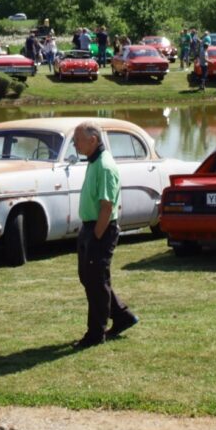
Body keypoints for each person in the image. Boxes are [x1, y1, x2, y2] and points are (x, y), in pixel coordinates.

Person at [70, 121, 138, 349]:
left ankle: (95, 334)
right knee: (90, 278)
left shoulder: (105, 166)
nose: (74, 144)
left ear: (93, 140)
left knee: (96, 281)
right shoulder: (94, 161)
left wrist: (97, 236)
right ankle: (122, 317)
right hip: (89, 228)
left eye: (77, 139)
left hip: (101, 230)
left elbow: (107, 207)